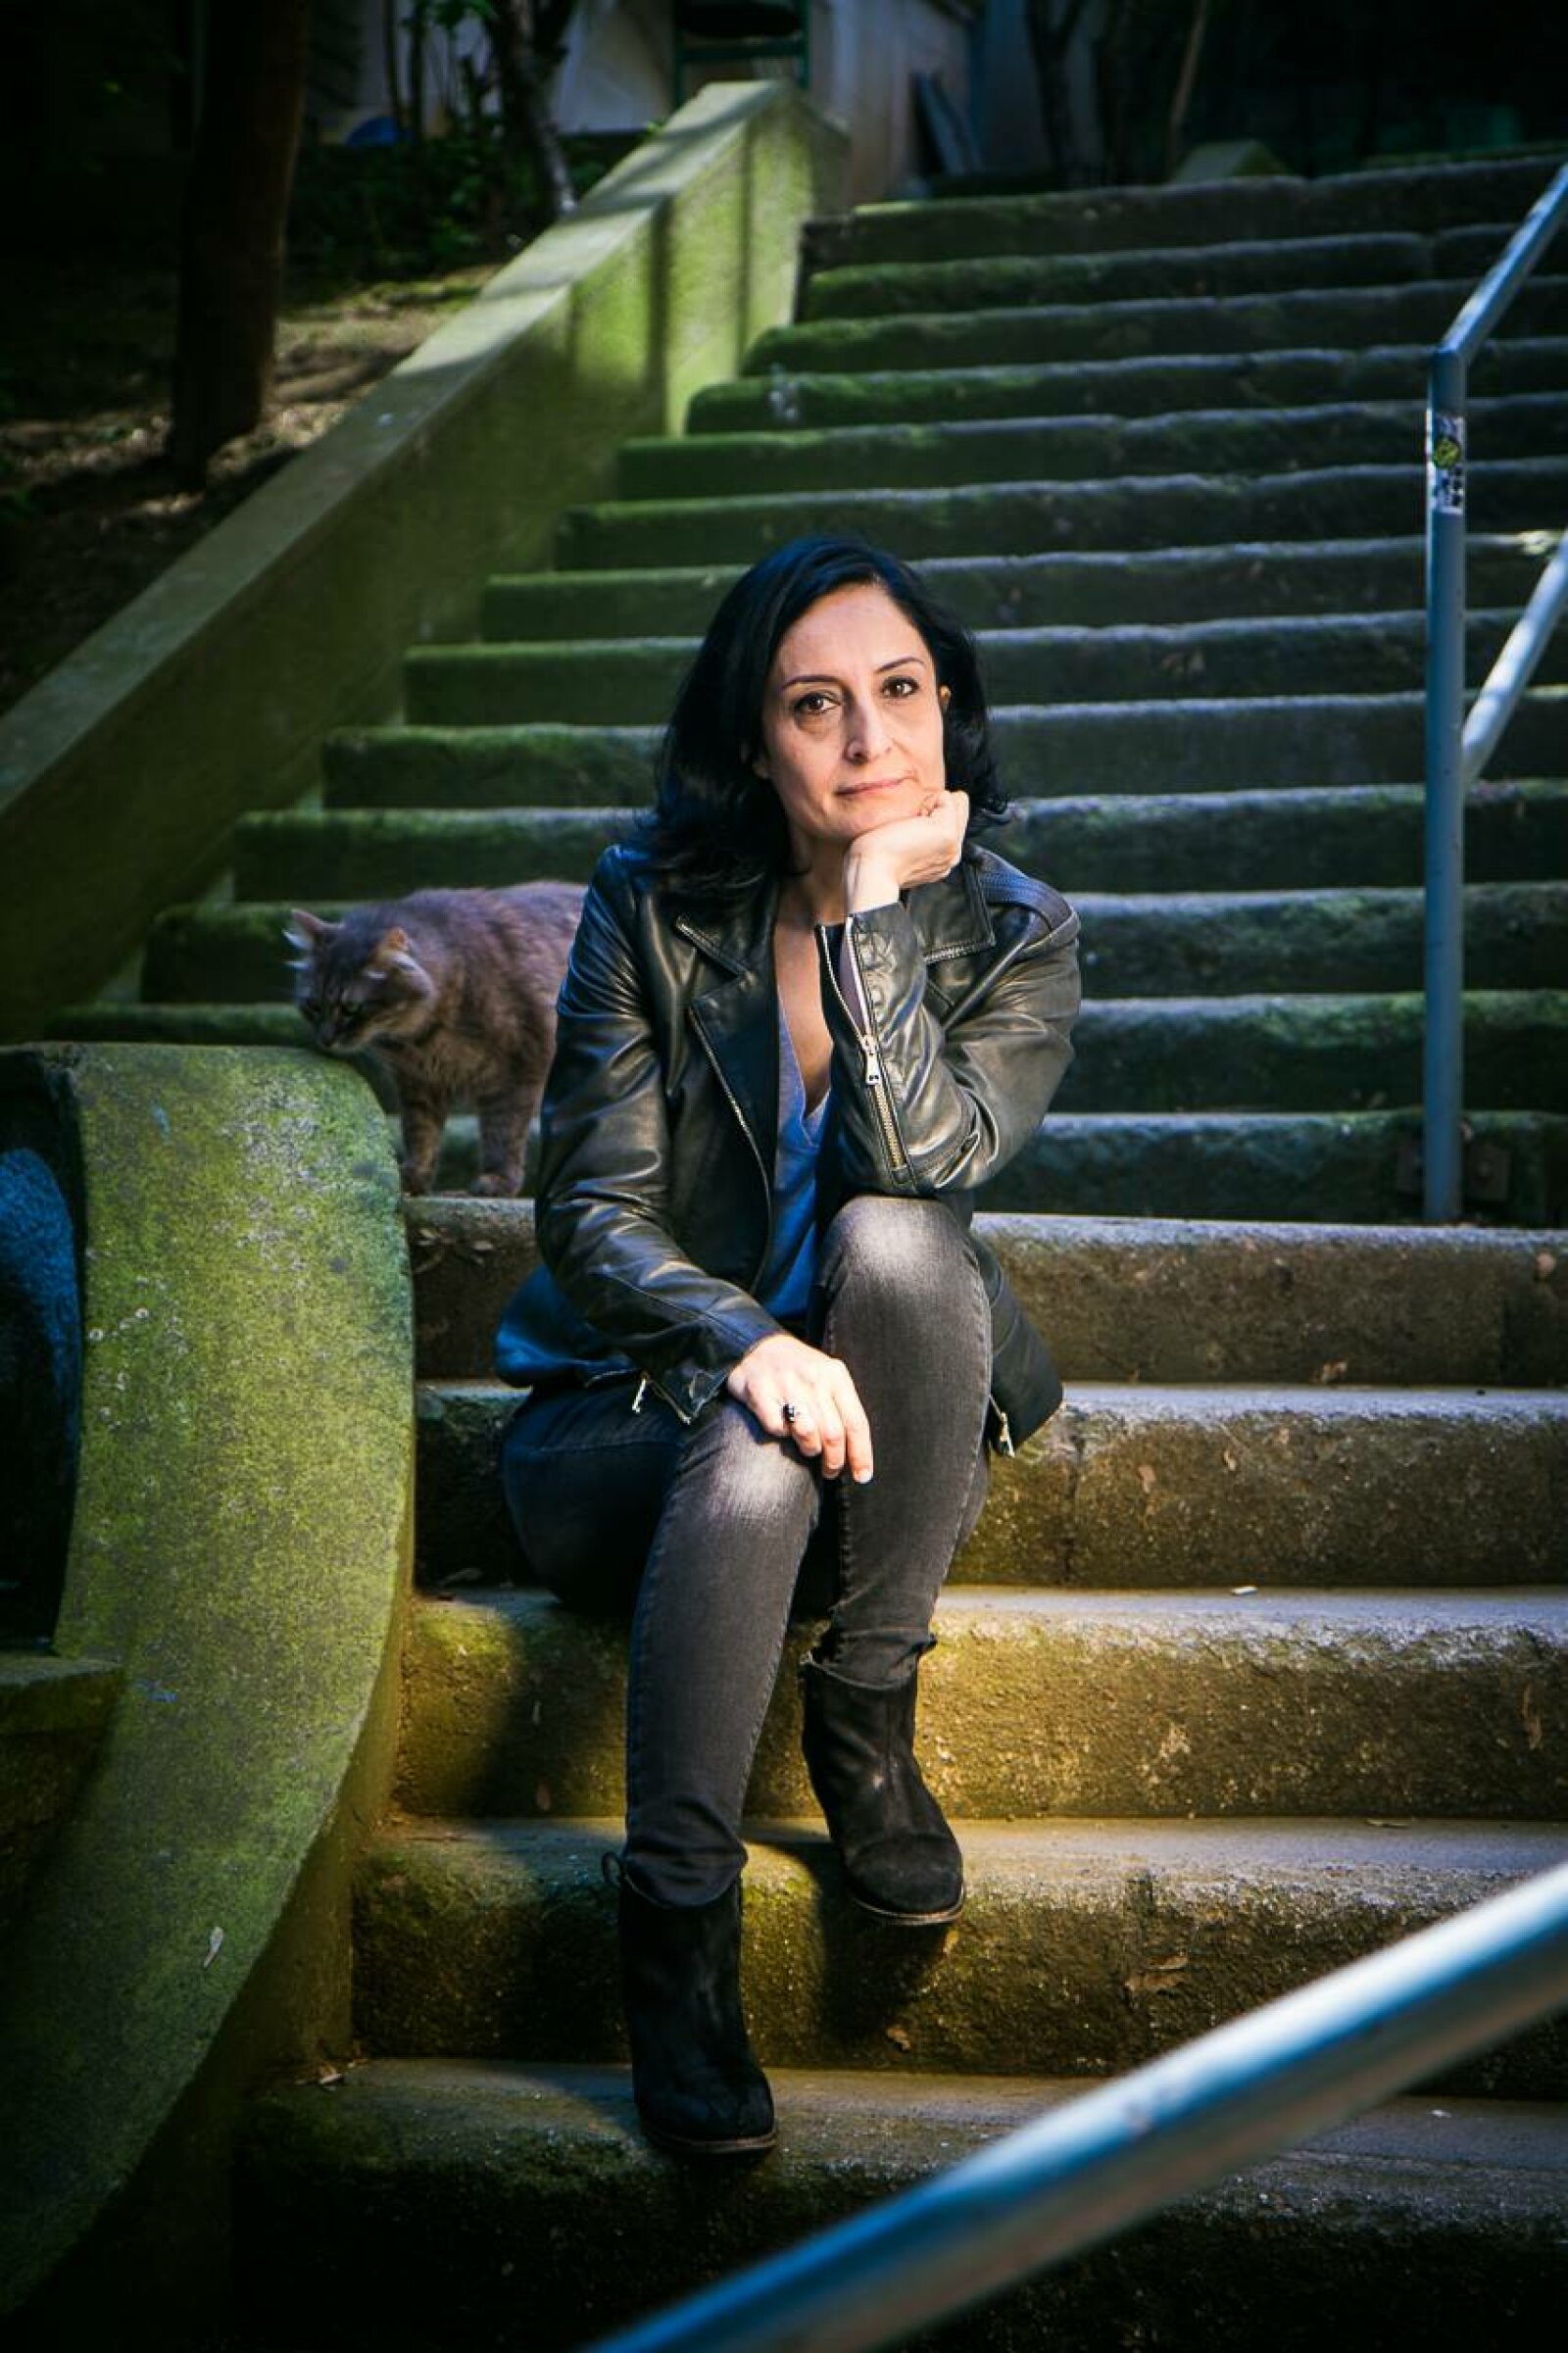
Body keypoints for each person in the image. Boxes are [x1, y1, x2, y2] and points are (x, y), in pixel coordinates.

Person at [495, 534, 1081, 2160]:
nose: (869, 737)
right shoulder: (649, 903)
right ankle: (677, 1932)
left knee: (897, 1237)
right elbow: (590, 1209)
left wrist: (876, 913)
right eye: (815, 704)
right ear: (754, 741)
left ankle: (864, 1703)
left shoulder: (1018, 930)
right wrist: (745, 1337)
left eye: (902, 690)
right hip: (622, 1426)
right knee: (752, 1446)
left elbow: (924, 1166)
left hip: (882, 1445)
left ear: (949, 705)